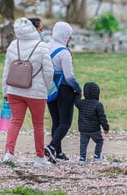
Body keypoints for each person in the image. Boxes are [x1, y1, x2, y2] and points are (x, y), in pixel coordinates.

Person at [1, 17, 53, 168]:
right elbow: (48, 72)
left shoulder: (13, 45)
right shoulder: (41, 46)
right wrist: (45, 87)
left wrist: (5, 90)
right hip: (36, 94)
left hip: (14, 90)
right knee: (38, 125)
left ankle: (8, 154)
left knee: (15, 122)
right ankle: (39, 158)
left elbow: (6, 70)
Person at [45, 21, 82, 164]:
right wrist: (78, 89)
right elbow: (69, 77)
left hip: (50, 88)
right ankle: (52, 146)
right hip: (64, 90)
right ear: (65, 35)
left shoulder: (46, 47)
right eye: (69, 36)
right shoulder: (64, 52)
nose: (70, 39)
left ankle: (58, 153)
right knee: (65, 122)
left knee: (56, 120)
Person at [74, 82, 110, 163]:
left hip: (83, 129)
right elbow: (102, 118)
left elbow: (76, 100)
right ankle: (97, 155)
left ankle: (82, 158)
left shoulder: (81, 103)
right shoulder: (98, 105)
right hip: (94, 129)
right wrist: (106, 128)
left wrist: (78, 93)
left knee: (83, 143)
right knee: (99, 141)